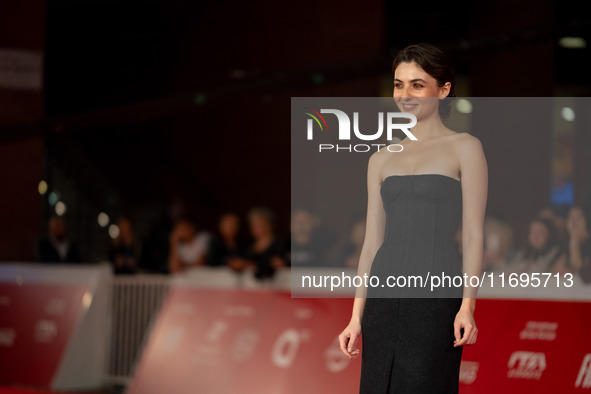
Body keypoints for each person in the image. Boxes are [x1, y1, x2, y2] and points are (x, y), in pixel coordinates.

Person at [338, 43, 487, 393]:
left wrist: (467, 306)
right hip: (382, 297)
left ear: (444, 89)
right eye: (398, 84)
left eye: (417, 84)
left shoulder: (465, 147)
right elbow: (373, 242)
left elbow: (473, 236)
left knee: (424, 383)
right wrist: (356, 317)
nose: (405, 94)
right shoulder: (380, 158)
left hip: (436, 296)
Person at [228, 206, 289, 280]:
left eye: (260, 225)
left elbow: (277, 264)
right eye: (254, 225)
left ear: (270, 224)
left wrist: (248, 264)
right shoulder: (247, 245)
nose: (256, 228)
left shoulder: (282, 244)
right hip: (248, 285)